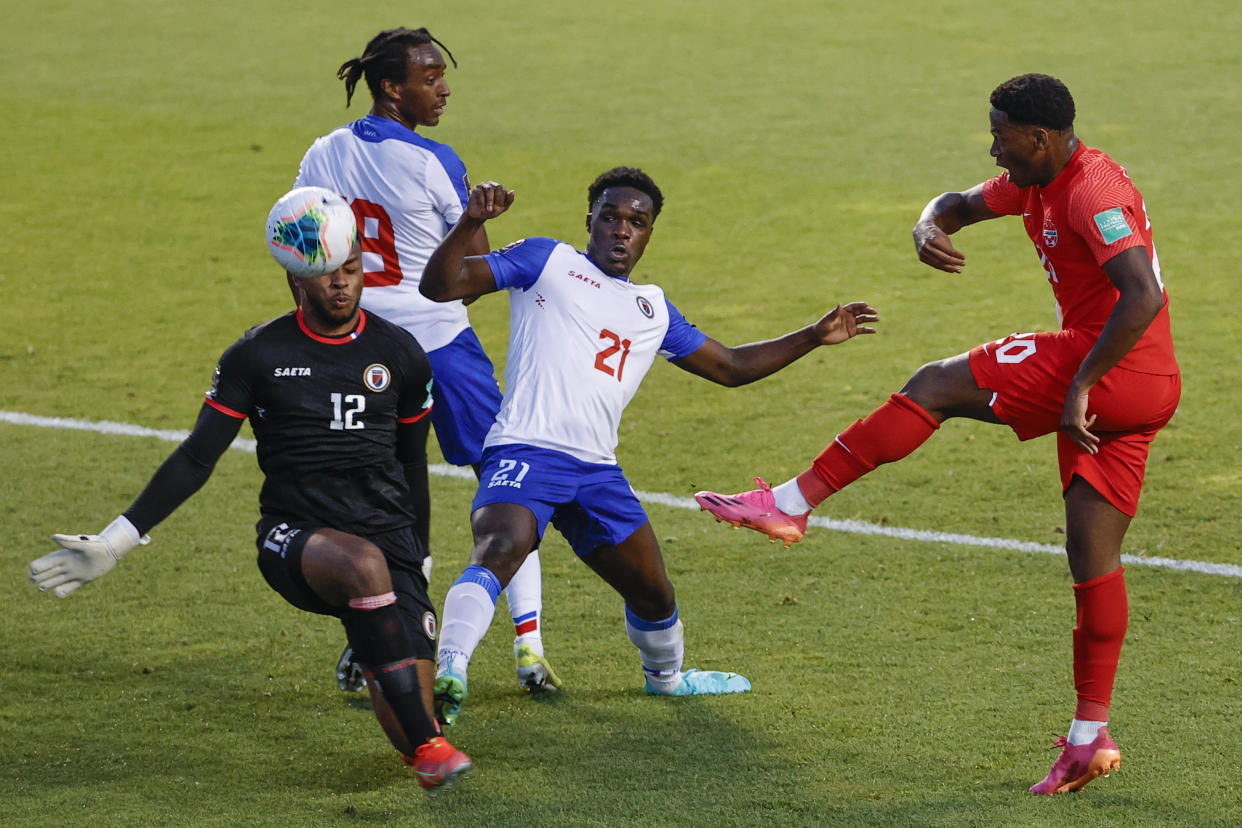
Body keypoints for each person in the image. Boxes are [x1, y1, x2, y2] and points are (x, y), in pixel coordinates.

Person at [694, 74, 1179, 795]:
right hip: (1141, 387)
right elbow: (953, 204)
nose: (993, 145)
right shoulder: (1039, 179)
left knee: (934, 385)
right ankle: (1089, 737)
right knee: (1092, 558)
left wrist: (1080, 384)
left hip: (1111, 367)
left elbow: (1142, 295)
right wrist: (928, 226)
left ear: (1038, 138)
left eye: (1001, 133)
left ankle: (792, 503)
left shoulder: (1090, 191)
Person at [28, 189, 472, 791]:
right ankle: (431, 746)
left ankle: (396, 690)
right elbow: (196, 457)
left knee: (401, 705)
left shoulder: (400, 354)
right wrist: (115, 542)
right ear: (296, 282)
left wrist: (417, 552)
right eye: (324, 275)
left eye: (350, 269)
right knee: (363, 569)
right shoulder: (257, 356)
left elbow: (411, 461)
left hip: (388, 535)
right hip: (296, 539)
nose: (340, 285)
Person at [419, 166, 878, 726]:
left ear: (650, 232)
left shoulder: (652, 310)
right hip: (526, 450)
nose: (621, 230)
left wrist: (812, 335)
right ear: (590, 219)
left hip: (597, 472)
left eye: (636, 221)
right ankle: (450, 670)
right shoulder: (547, 261)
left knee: (655, 594)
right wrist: (470, 222)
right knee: (500, 548)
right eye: (610, 216)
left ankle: (667, 680)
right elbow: (440, 287)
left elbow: (730, 367)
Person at [292, 26, 558, 695]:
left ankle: (368, 644)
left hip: (360, 350)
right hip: (442, 345)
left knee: (374, 503)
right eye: (430, 76)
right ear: (393, 87)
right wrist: (476, 217)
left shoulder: (322, 153)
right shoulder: (435, 159)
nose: (443, 88)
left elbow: (300, 241)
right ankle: (530, 651)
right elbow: (470, 269)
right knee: (508, 483)